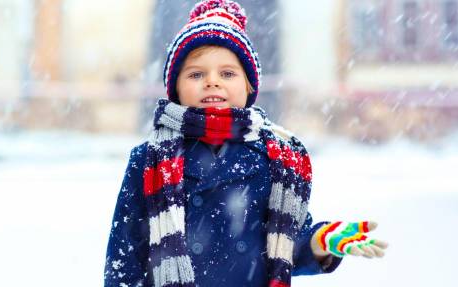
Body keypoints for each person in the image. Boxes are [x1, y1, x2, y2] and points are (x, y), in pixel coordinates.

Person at [104, 1, 388, 286]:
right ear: (175, 87)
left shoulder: (275, 158)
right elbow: (124, 260)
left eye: (227, 73)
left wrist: (322, 240)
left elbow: (286, 247)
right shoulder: (151, 161)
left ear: (249, 85)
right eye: (196, 74)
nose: (212, 82)